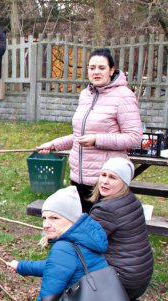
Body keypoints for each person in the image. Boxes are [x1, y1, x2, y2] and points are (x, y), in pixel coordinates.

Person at [37, 48, 142, 212]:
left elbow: (134, 138)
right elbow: (80, 136)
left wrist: (97, 139)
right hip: (79, 177)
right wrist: (54, 144)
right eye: (92, 68)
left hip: (104, 180)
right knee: (82, 229)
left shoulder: (124, 96)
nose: (96, 72)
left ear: (112, 70)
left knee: (99, 231)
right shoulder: (86, 95)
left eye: (102, 68)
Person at [89, 158, 154, 301]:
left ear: (124, 182)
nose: (104, 181)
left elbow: (87, 242)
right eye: (103, 175)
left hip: (123, 279)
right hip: (140, 278)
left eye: (113, 177)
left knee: (76, 258)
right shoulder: (131, 200)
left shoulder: (106, 209)